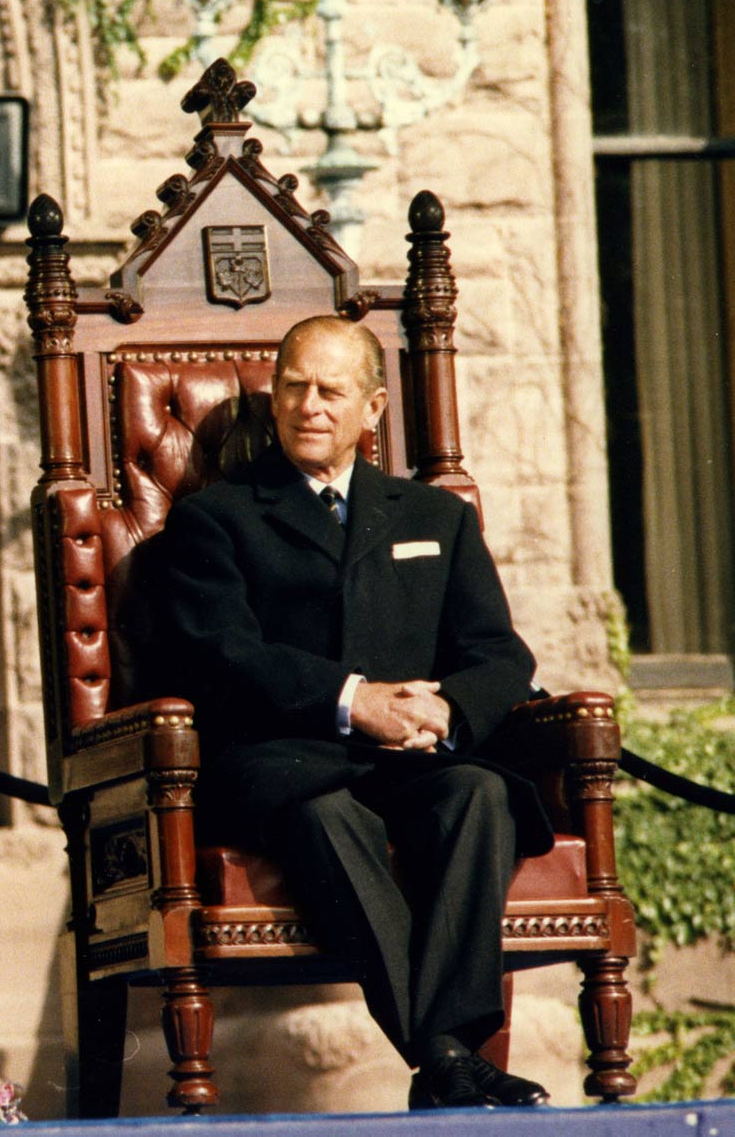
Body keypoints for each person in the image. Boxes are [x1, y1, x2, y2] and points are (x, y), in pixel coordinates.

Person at [156, 315, 556, 1111]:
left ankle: (440, 1055)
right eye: (294, 386)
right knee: (322, 811)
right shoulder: (217, 518)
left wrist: (444, 707)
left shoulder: (433, 516)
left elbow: (501, 656)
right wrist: (354, 700)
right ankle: (446, 1051)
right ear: (274, 401)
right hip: (286, 761)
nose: (310, 405)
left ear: (372, 408)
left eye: (332, 390)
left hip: (413, 758)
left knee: (479, 792)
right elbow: (223, 653)